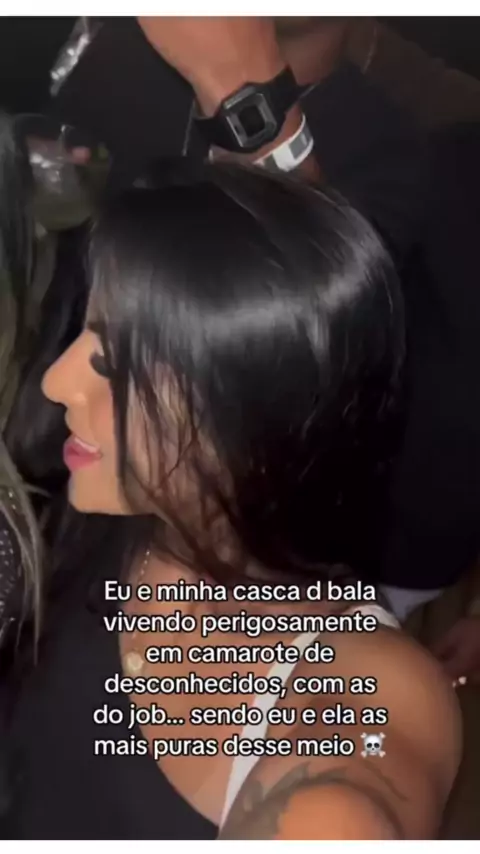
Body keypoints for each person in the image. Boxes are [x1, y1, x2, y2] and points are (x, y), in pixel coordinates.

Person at [0, 161, 460, 840]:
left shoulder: (358, 686)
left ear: (255, 413)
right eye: (86, 336)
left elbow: (339, 812)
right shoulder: (107, 510)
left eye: (118, 362)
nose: (59, 383)